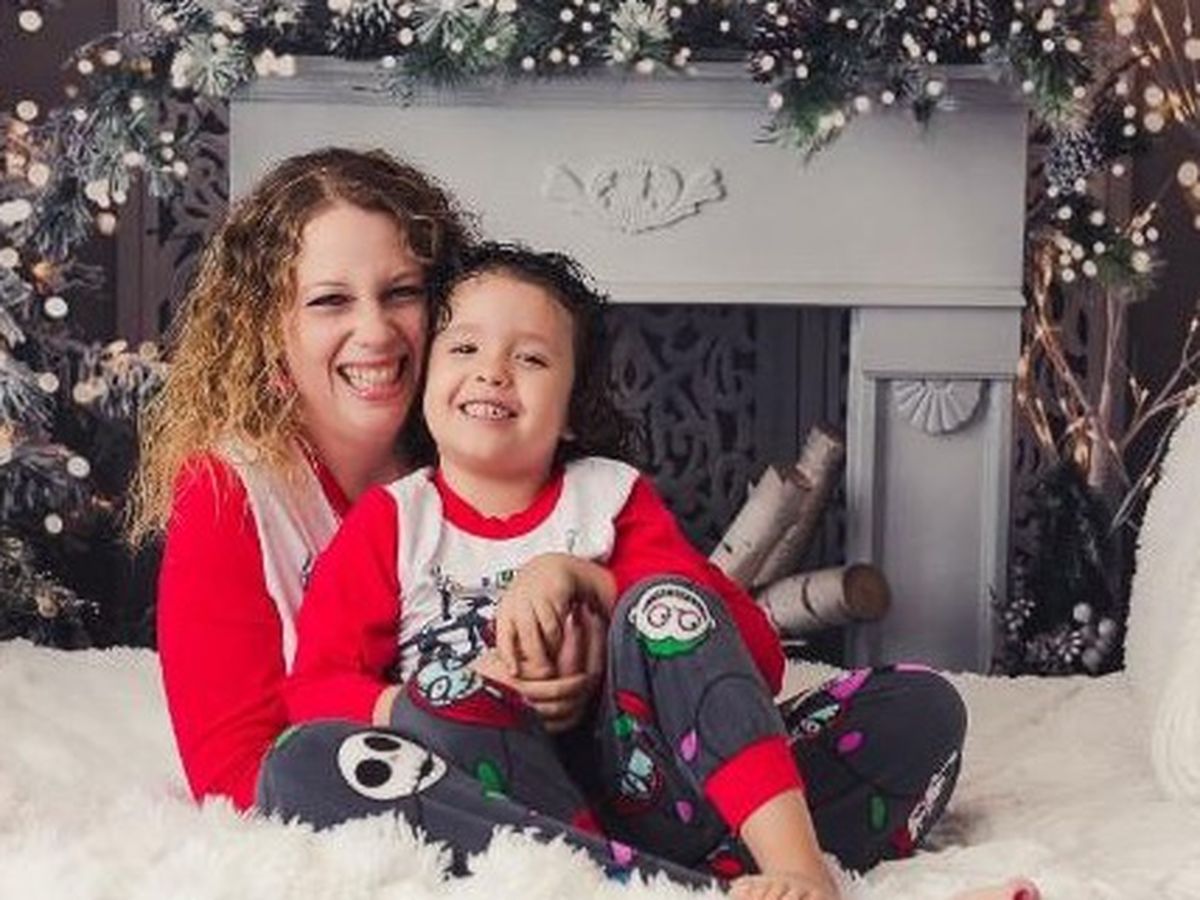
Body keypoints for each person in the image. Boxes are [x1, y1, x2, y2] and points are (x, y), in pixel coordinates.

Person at [274, 243, 974, 899]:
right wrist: (442, 699)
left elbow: (755, 659)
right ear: (426, 380)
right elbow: (314, 689)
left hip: (656, 787)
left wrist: (592, 583)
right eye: (464, 348)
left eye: (531, 358)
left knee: (920, 707)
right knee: (301, 764)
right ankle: (668, 884)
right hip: (501, 798)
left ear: (572, 412)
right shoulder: (392, 522)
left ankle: (796, 870)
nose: (492, 371)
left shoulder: (610, 499)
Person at [128, 149, 601, 815]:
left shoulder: (487, 439)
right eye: (330, 301)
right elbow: (234, 774)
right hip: (391, 796)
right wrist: (444, 717)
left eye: (402, 292)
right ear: (268, 328)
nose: (375, 332)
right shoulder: (230, 491)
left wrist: (596, 637)